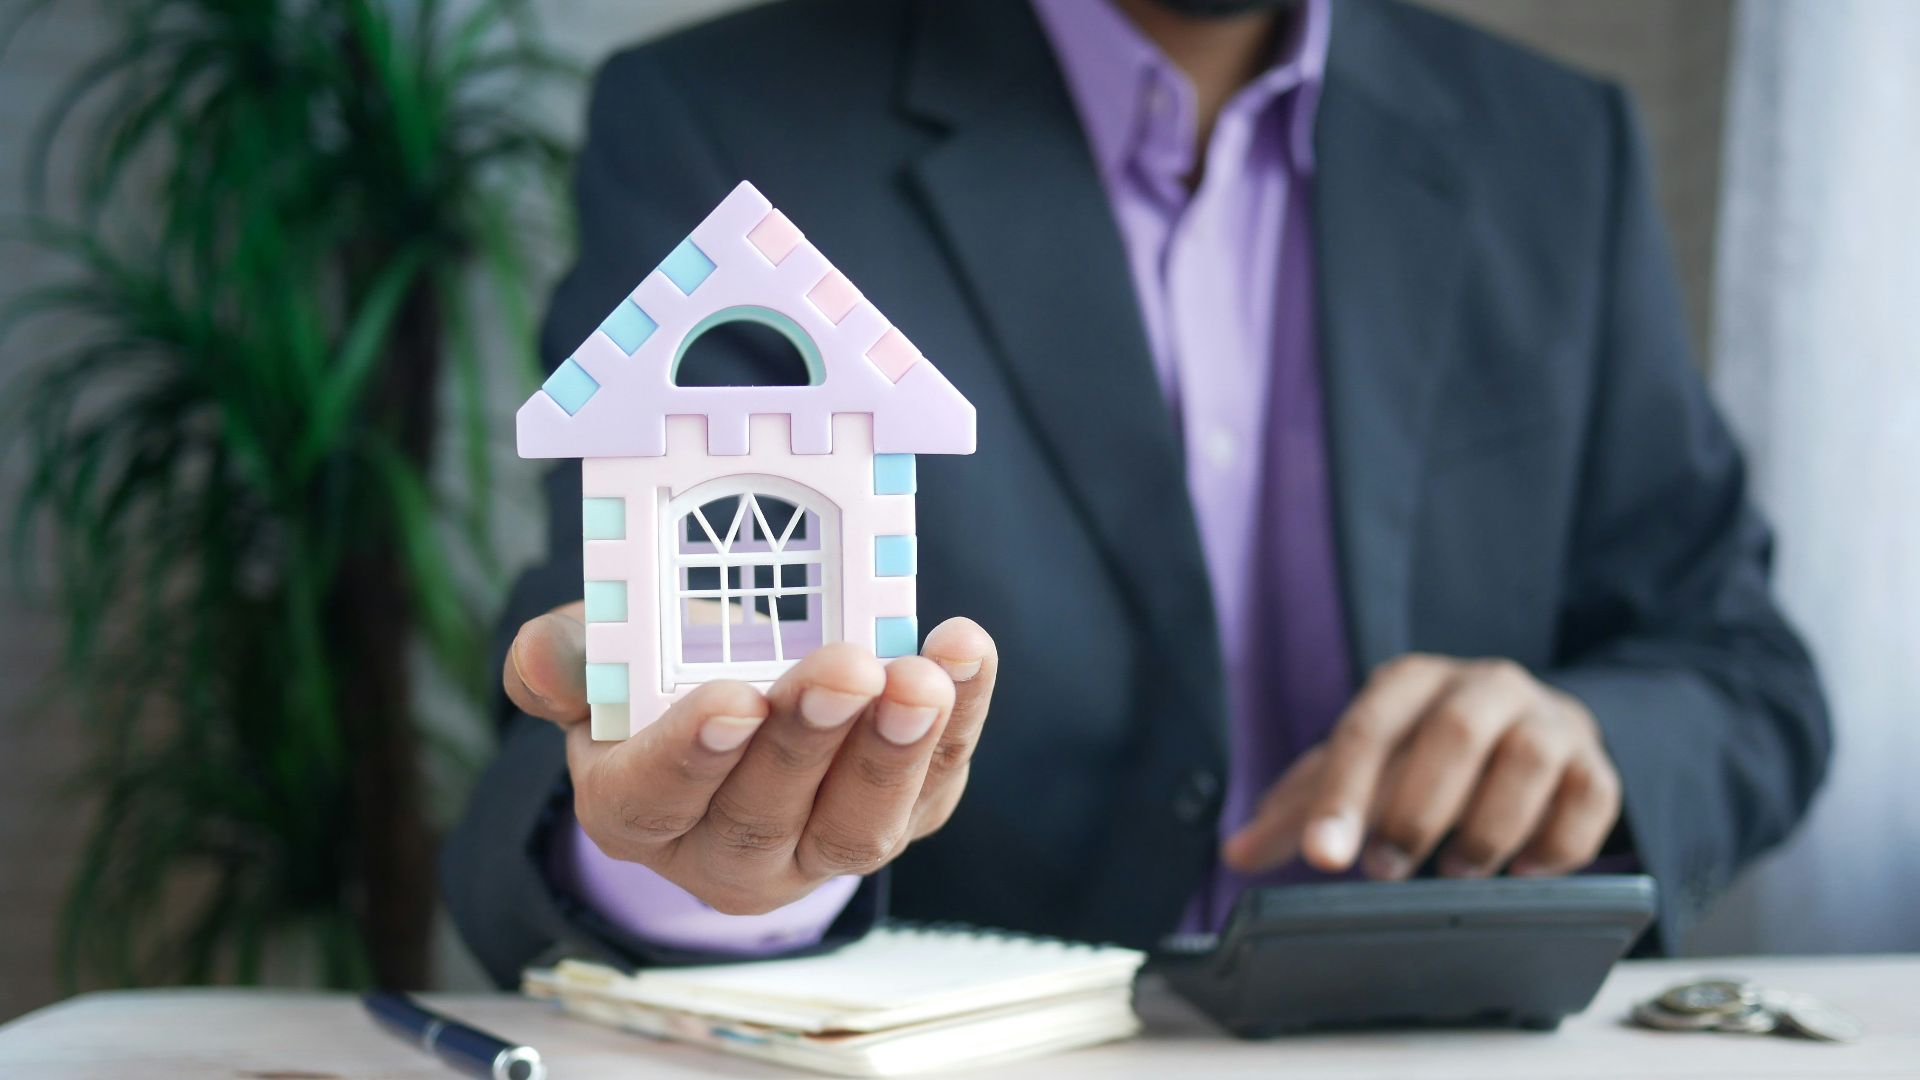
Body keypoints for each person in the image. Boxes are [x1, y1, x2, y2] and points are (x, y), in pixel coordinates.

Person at [444, 0, 1830, 985]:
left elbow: (1744, 672)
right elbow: (598, 699)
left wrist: (1586, 742)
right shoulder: (725, 125)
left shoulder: (1559, 148)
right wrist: (701, 870)